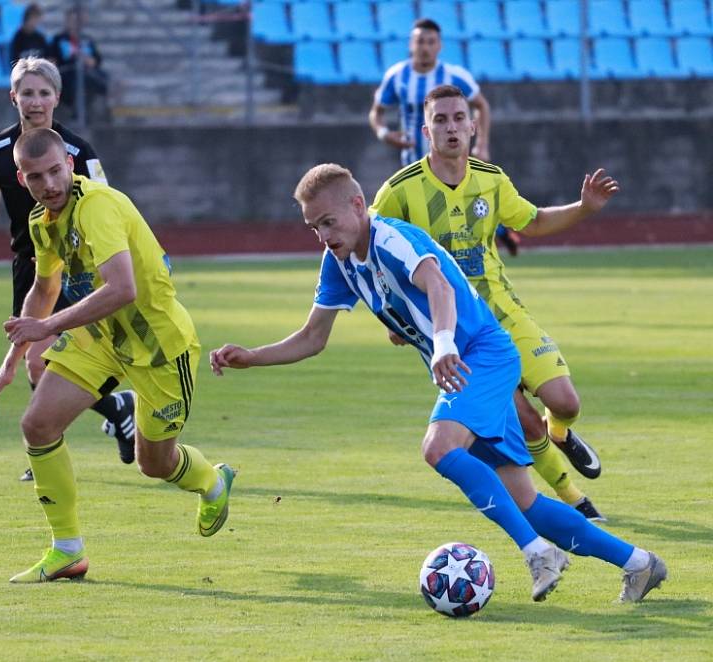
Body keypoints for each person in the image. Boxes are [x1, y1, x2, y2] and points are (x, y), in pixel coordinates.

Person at [210, 163, 666, 604]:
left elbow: (439, 287)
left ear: (357, 204)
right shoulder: (341, 262)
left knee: (438, 447)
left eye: (328, 222)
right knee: (525, 503)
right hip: (465, 366)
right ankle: (638, 562)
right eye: (314, 228)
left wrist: (444, 344)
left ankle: (538, 554)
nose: (324, 237)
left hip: (482, 357)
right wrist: (252, 357)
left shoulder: (390, 238)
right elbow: (312, 338)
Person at [0, 128, 235, 583]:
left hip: (158, 346)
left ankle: (212, 481)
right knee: (37, 425)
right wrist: (11, 360)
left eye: (56, 171)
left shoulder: (96, 206)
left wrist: (49, 327)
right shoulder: (42, 221)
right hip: (99, 337)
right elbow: (44, 288)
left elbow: (123, 288)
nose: (49, 184)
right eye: (37, 177)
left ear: (70, 166)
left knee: (153, 464)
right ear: (22, 179)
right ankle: (67, 551)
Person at [372, 85, 607, 520]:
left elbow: (532, 220)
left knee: (566, 403)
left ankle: (562, 434)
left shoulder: (491, 179)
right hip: (455, 331)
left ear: (473, 124)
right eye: (440, 120)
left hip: (504, 311)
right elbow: (374, 252)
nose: (451, 127)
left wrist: (583, 208)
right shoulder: (399, 192)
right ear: (426, 130)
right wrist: (394, 315)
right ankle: (575, 498)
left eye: (459, 118)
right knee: (522, 421)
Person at [0, 57, 133, 481]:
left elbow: (106, 204)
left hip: (76, 268)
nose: (34, 101)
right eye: (27, 92)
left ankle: (45, 450)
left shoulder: (78, 152)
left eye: (43, 93)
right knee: (36, 363)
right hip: (31, 268)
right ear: (13, 97)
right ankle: (113, 411)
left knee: (43, 358)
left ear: (57, 97)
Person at [368, 18, 520, 257]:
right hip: (413, 162)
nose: (425, 47)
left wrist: (481, 143)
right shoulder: (397, 76)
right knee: (418, 216)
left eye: (430, 42)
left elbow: (481, 105)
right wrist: (384, 133)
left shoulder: (454, 76)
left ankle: (494, 235)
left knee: (464, 208)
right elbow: (376, 112)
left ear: (439, 46)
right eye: (420, 41)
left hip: (452, 163)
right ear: (411, 45)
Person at [49, 8, 109, 118]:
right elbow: (51, 60)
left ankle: (100, 115)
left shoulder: (87, 39)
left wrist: (89, 60)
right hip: (68, 74)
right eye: (71, 20)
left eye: (77, 21)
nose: (74, 24)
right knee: (81, 81)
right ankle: (79, 116)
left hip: (88, 73)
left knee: (100, 79)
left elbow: (97, 60)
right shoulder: (58, 39)